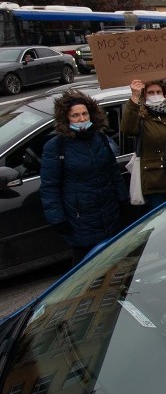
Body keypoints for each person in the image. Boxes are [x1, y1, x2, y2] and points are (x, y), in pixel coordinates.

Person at [41, 91, 128, 265]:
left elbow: (112, 171)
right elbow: (50, 187)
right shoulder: (56, 146)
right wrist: (57, 218)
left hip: (109, 213)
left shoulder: (100, 138)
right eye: (75, 115)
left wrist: (123, 198)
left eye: (84, 114)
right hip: (80, 220)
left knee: (113, 265)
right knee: (86, 268)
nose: (81, 119)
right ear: (66, 119)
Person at [120, 79, 166, 210]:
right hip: (155, 181)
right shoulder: (141, 115)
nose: (155, 95)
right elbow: (128, 129)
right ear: (145, 95)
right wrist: (134, 97)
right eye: (150, 92)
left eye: (158, 91)